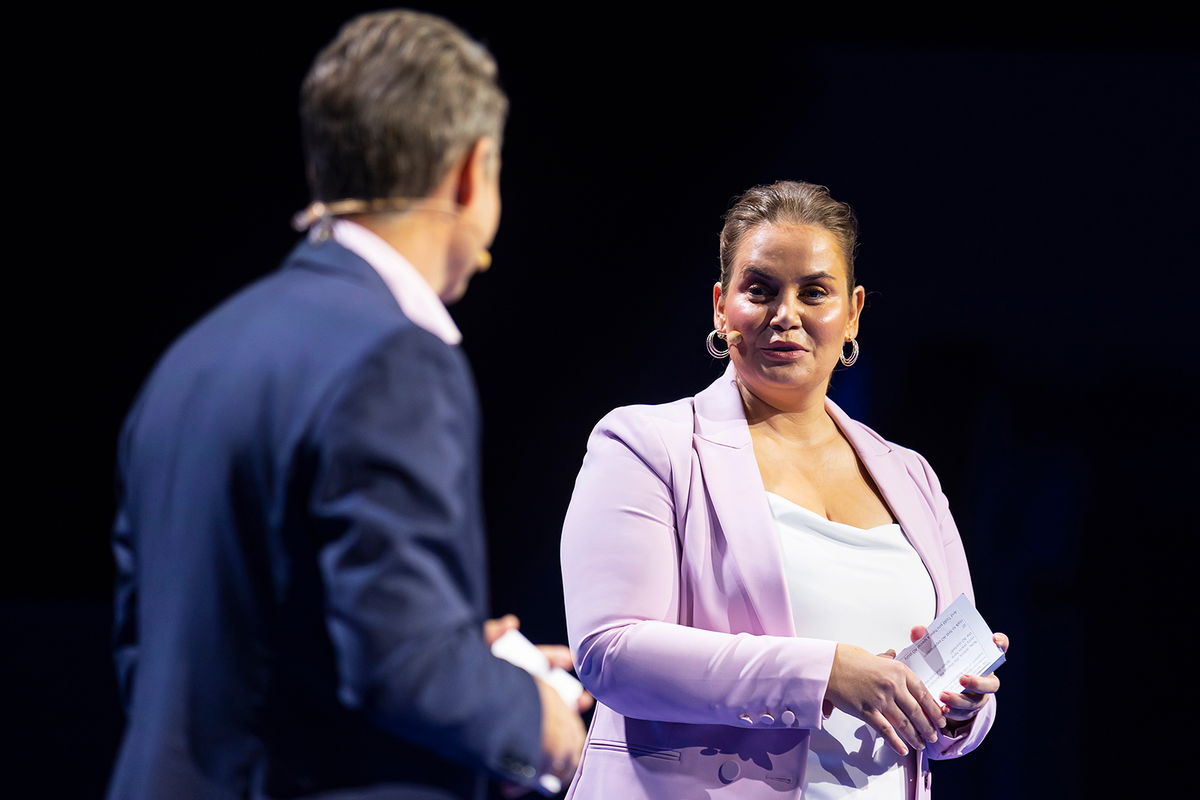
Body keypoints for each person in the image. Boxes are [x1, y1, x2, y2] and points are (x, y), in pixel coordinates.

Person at [108, 10, 584, 800]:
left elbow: (165, 648)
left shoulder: (192, 355)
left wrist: (457, 650)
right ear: (472, 174)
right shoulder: (397, 357)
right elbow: (401, 666)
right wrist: (535, 713)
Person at [559, 181, 1009, 799]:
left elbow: (950, 704)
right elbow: (611, 654)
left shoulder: (912, 477)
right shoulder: (647, 444)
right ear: (722, 306)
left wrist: (959, 710)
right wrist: (824, 672)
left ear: (852, 312)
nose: (785, 314)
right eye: (760, 289)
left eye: (814, 292)